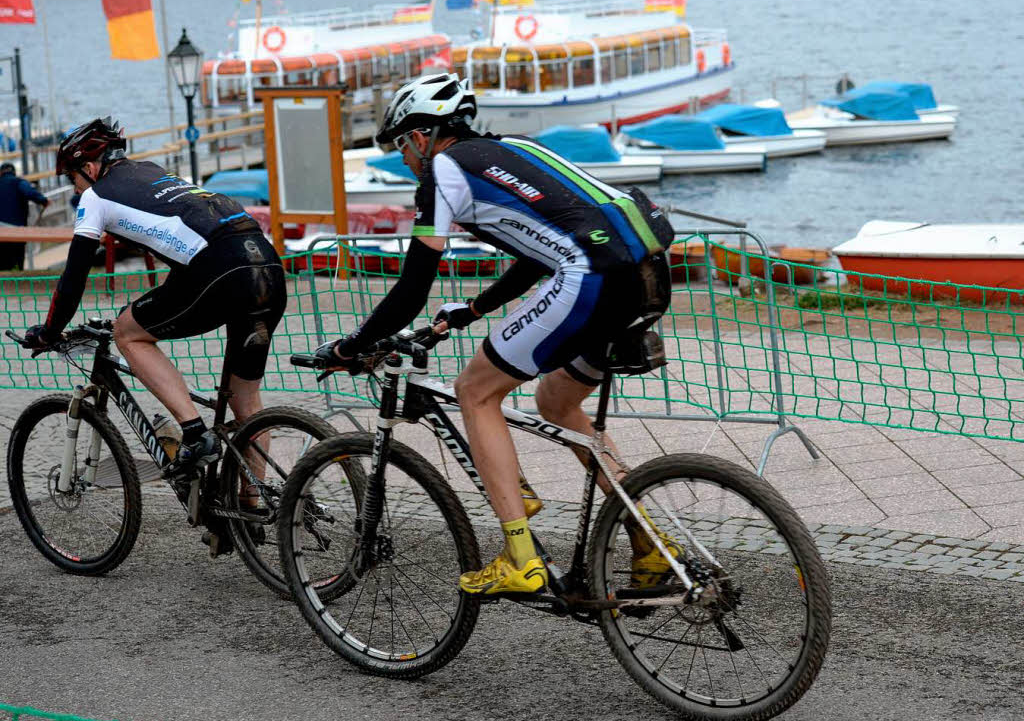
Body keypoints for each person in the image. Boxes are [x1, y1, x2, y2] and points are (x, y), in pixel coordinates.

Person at [321, 74, 677, 595]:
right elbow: (542, 251)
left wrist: (353, 345)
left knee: (474, 391)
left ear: (421, 136)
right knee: (556, 402)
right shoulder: (512, 149)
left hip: (593, 275)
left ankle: (520, 556)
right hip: (647, 269)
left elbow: (413, 287)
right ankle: (652, 548)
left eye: (401, 145)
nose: (402, 159)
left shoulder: (442, 172)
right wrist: (474, 308)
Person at [23, 117, 286, 509]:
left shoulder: (97, 197)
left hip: (220, 269)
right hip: (266, 264)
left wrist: (49, 331)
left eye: (74, 180)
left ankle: (194, 433)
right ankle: (253, 506)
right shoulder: (152, 173)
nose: (77, 191)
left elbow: (73, 277)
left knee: (128, 332)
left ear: (90, 168)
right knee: (246, 401)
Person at [0, 161, 50, 270]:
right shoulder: (19, 182)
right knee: (17, 263)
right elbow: (29, 192)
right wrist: (43, 200)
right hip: (16, 230)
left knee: (2, 264)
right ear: (14, 172)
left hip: (1, 231)